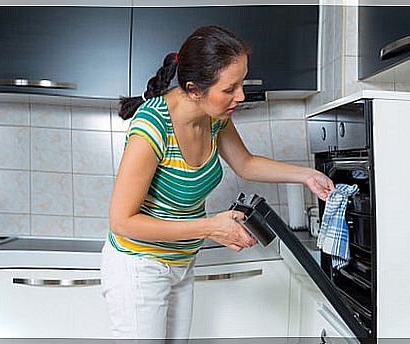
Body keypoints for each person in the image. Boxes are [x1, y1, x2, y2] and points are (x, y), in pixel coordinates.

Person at [101, 25, 334, 339]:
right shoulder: (152, 127)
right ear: (195, 89)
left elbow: (246, 163)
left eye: (240, 83)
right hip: (139, 266)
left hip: (181, 263)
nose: (240, 96)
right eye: (229, 88)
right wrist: (211, 227)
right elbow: (122, 221)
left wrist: (305, 175)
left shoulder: (215, 118)